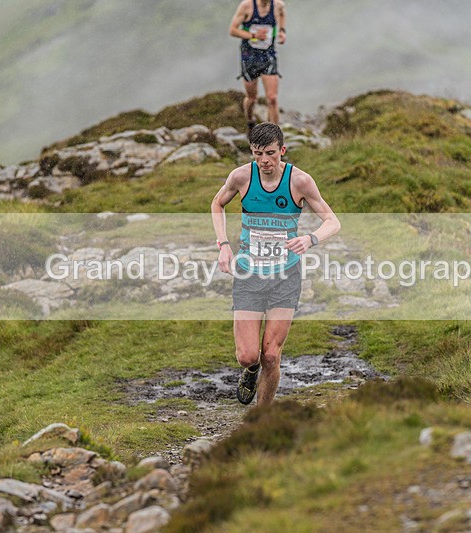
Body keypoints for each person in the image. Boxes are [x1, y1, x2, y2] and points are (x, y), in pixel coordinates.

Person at [211, 123, 341, 406]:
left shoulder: (300, 181)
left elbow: (333, 221)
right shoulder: (242, 177)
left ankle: (262, 418)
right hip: (249, 274)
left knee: (271, 354)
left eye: (270, 153)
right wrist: (223, 245)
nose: (264, 161)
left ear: (282, 150)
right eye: (258, 154)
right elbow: (217, 204)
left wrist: (310, 239)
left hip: (286, 275)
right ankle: (250, 370)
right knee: (248, 355)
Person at [229, 0, 286, 130]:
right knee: (252, 98)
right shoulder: (246, 6)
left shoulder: (277, 5)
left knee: (272, 98)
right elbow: (232, 30)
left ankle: (274, 136)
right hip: (249, 56)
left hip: (268, 55)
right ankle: (250, 121)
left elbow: (282, 14)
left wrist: (282, 31)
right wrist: (254, 35)